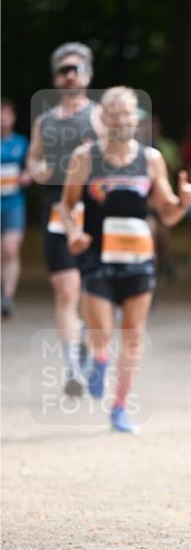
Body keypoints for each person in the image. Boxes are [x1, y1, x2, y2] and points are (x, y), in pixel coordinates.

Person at [61, 86, 191, 433]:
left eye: (128, 114)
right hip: (97, 259)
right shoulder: (85, 157)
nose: (122, 120)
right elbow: (67, 204)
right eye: (115, 114)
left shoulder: (150, 159)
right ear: (103, 119)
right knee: (102, 331)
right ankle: (100, 360)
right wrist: (74, 231)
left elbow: (166, 213)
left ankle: (119, 407)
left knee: (133, 335)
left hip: (138, 260)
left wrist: (182, 202)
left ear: (136, 119)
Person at [26, 42, 104, 394]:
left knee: (92, 291)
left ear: (87, 74)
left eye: (76, 68)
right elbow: (34, 159)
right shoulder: (44, 121)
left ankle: (90, 346)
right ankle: (72, 367)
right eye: (63, 70)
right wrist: (39, 170)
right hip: (58, 209)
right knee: (66, 290)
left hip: (95, 210)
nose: (70, 75)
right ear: (56, 77)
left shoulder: (100, 116)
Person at [1, 98, 30, 317]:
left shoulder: (22, 143)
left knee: (10, 249)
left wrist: (27, 176)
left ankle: (8, 296)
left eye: (6, 114)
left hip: (14, 203)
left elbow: (32, 167)